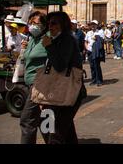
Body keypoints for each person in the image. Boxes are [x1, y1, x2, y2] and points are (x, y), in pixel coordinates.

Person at [40, 11, 86, 144]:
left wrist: (49, 47)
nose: (50, 26)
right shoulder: (57, 39)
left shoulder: (67, 39)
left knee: (56, 132)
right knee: (64, 130)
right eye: (48, 23)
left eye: (54, 23)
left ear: (63, 24)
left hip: (68, 91)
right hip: (57, 91)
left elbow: (60, 65)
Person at [20, 11, 48, 144]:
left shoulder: (47, 39)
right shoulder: (31, 39)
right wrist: (24, 49)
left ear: (44, 25)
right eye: (31, 23)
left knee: (27, 120)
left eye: (36, 23)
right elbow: (26, 59)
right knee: (45, 118)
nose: (33, 26)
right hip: (30, 83)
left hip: (40, 84)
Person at [85, 20, 105, 86]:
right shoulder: (88, 33)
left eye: (94, 24)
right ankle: (93, 80)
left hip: (96, 51)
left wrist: (97, 37)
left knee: (97, 66)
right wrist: (87, 48)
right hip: (90, 51)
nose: (93, 26)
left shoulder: (100, 32)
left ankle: (99, 80)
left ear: (97, 25)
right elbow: (85, 41)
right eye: (91, 24)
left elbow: (102, 41)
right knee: (92, 66)